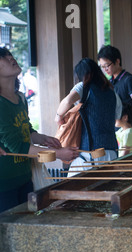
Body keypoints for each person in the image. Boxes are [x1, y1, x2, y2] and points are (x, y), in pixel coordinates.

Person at [0, 48, 79, 213]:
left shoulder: (20, 98)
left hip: (24, 177)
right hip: (4, 184)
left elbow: (26, 131)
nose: (10, 58)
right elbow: (18, 147)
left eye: (10, 54)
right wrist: (58, 154)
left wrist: (42, 138)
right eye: (4, 57)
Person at [55, 58, 123, 175]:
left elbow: (66, 102)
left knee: (70, 189)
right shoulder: (112, 92)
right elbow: (117, 117)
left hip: (89, 155)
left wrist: (58, 116)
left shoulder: (83, 87)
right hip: (111, 153)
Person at [97, 45, 132, 146]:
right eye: (102, 67)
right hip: (118, 132)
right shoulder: (110, 83)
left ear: (117, 61)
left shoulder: (129, 80)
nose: (105, 69)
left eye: (107, 65)